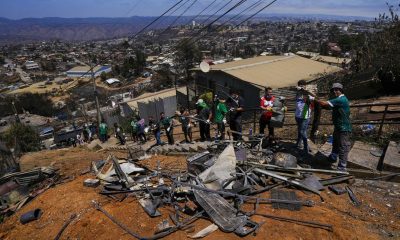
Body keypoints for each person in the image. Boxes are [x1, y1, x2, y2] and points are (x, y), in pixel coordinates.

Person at [317, 83, 352, 171]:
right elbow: (329, 106)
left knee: (343, 147)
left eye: (337, 89)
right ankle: (333, 158)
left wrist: (314, 99)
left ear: (341, 90)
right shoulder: (338, 100)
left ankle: (342, 167)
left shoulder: (341, 99)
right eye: (334, 90)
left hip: (344, 128)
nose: (335, 91)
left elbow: (324, 103)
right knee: (335, 144)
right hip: (338, 126)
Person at [294, 80, 315, 155]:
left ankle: (306, 148)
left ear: (305, 86)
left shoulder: (308, 94)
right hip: (297, 115)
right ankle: (298, 144)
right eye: (300, 85)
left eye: (303, 85)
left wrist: (306, 91)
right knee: (300, 131)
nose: (301, 86)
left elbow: (314, 97)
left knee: (303, 132)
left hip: (305, 116)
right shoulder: (297, 93)